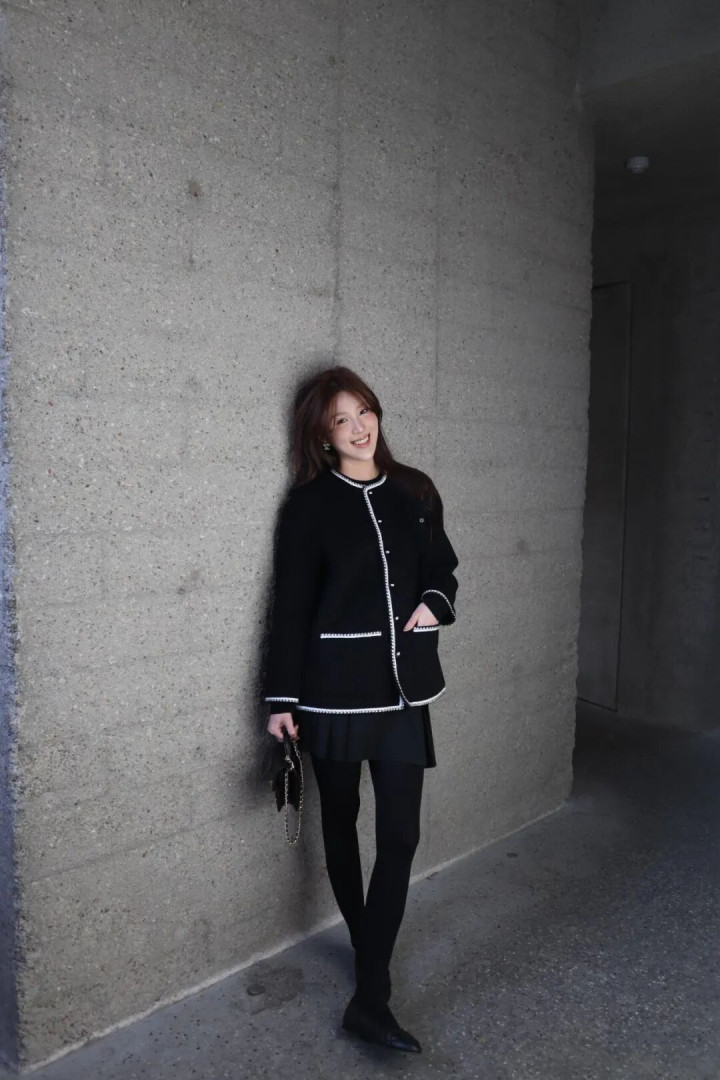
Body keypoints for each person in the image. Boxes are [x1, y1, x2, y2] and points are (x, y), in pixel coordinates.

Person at [264, 366, 459, 1054]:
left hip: (404, 690)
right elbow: (290, 607)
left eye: (364, 412)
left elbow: (443, 568)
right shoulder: (309, 506)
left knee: (400, 836)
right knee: (340, 825)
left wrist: (433, 603)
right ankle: (372, 978)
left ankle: (368, 992)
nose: (357, 427)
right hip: (333, 692)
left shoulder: (416, 491)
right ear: (322, 436)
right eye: (340, 420)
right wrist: (281, 700)